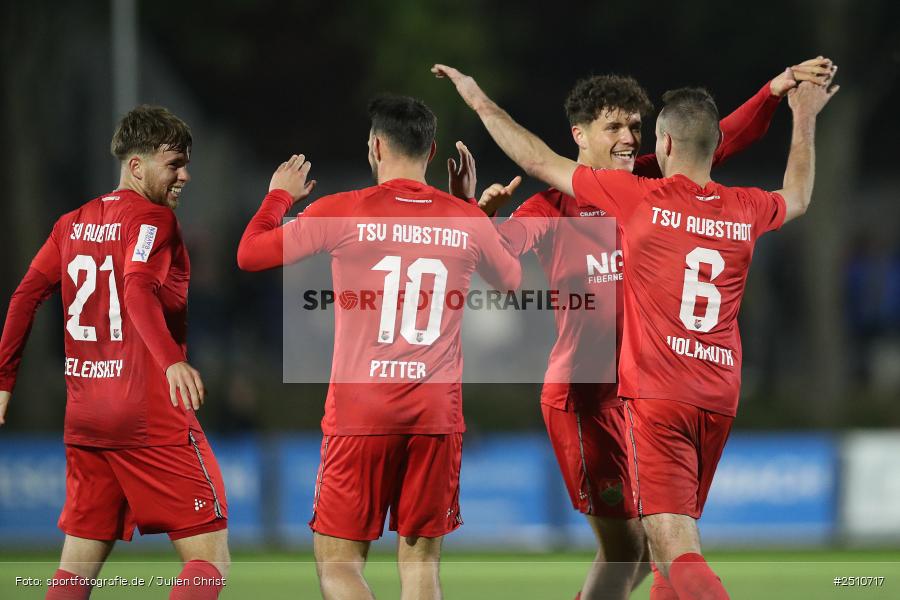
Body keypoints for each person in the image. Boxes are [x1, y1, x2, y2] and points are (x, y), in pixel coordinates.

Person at [433, 64, 837, 599]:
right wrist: (473, 216)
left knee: (651, 549)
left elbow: (714, 139)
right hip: (589, 396)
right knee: (634, 549)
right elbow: (501, 270)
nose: (628, 138)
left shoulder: (648, 185)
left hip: (646, 393)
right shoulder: (550, 205)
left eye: (636, 128)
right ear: (579, 135)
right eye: (614, 128)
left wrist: (771, 90)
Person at [236, 94, 522, 600]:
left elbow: (250, 254)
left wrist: (278, 197)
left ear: (374, 146)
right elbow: (511, 281)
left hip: (361, 408)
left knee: (338, 563)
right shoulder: (463, 219)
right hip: (434, 411)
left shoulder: (343, 210)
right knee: (420, 568)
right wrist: (468, 207)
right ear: (432, 153)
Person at [0, 105, 229, 600]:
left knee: (75, 568)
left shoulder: (72, 223)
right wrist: (172, 360)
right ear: (137, 166)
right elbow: (137, 288)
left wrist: (3, 380)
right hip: (148, 413)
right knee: (209, 561)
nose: (185, 175)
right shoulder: (155, 221)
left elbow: (24, 296)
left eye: (186, 162)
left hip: (87, 418)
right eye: (174, 164)